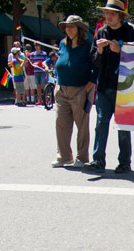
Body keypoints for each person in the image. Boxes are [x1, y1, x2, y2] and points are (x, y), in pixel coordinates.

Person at [85, 0, 134, 174]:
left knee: (123, 126)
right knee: (101, 124)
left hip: (124, 87)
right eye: (106, 13)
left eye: (112, 14)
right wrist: (100, 51)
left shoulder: (131, 32)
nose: (108, 17)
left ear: (120, 16)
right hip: (104, 86)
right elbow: (93, 60)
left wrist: (121, 53)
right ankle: (97, 160)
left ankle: (124, 162)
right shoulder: (101, 32)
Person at [52, 15, 97, 168]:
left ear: (79, 29)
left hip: (80, 89)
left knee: (82, 126)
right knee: (61, 124)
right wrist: (57, 85)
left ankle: (82, 157)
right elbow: (60, 64)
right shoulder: (62, 44)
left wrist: (87, 88)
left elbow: (96, 68)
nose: (68, 29)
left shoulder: (88, 46)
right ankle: (64, 157)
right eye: (66, 27)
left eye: (71, 26)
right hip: (62, 90)